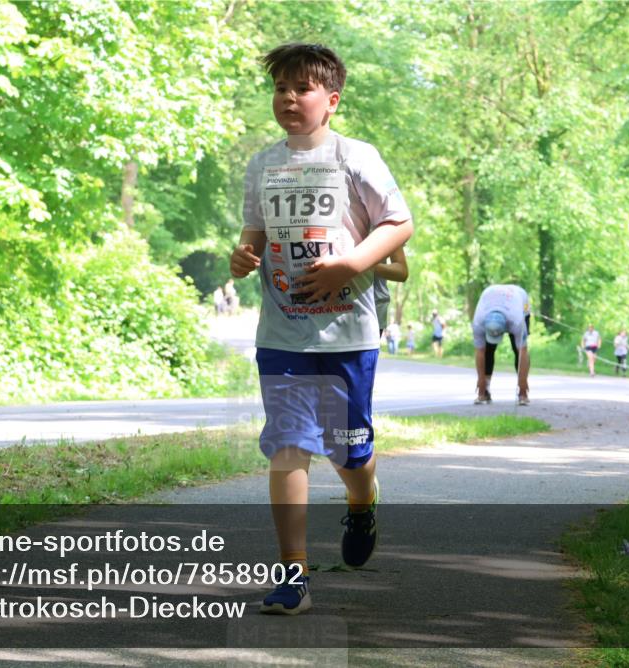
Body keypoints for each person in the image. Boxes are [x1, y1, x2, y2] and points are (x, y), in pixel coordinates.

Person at [229, 43, 413, 615]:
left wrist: (350, 264)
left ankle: (362, 502)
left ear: (331, 100)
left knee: (348, 450)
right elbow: (254, 234)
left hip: (347, 334)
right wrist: (242, 257)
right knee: (288, 448)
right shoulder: (262, 165)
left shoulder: (355, 157)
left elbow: (398, 223)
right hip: (282, 333)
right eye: (280, 88)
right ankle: (293, 577)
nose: (288, 98)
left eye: (302, 88)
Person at [471, 284, 531, 405]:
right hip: (491, 295)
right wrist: (480, 380)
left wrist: (523, 381)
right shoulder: (478, 322)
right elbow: (480, 352)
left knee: (517, 349)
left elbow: (523, 351)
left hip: (519, 299)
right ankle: (485, 390)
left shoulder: (516, 321)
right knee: (488, 350)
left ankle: (522, 393)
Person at [373, 246, 409, 338]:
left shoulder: (383, 235)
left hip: (374, 306)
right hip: (336, 303)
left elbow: (402, 271)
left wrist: (363, 265)